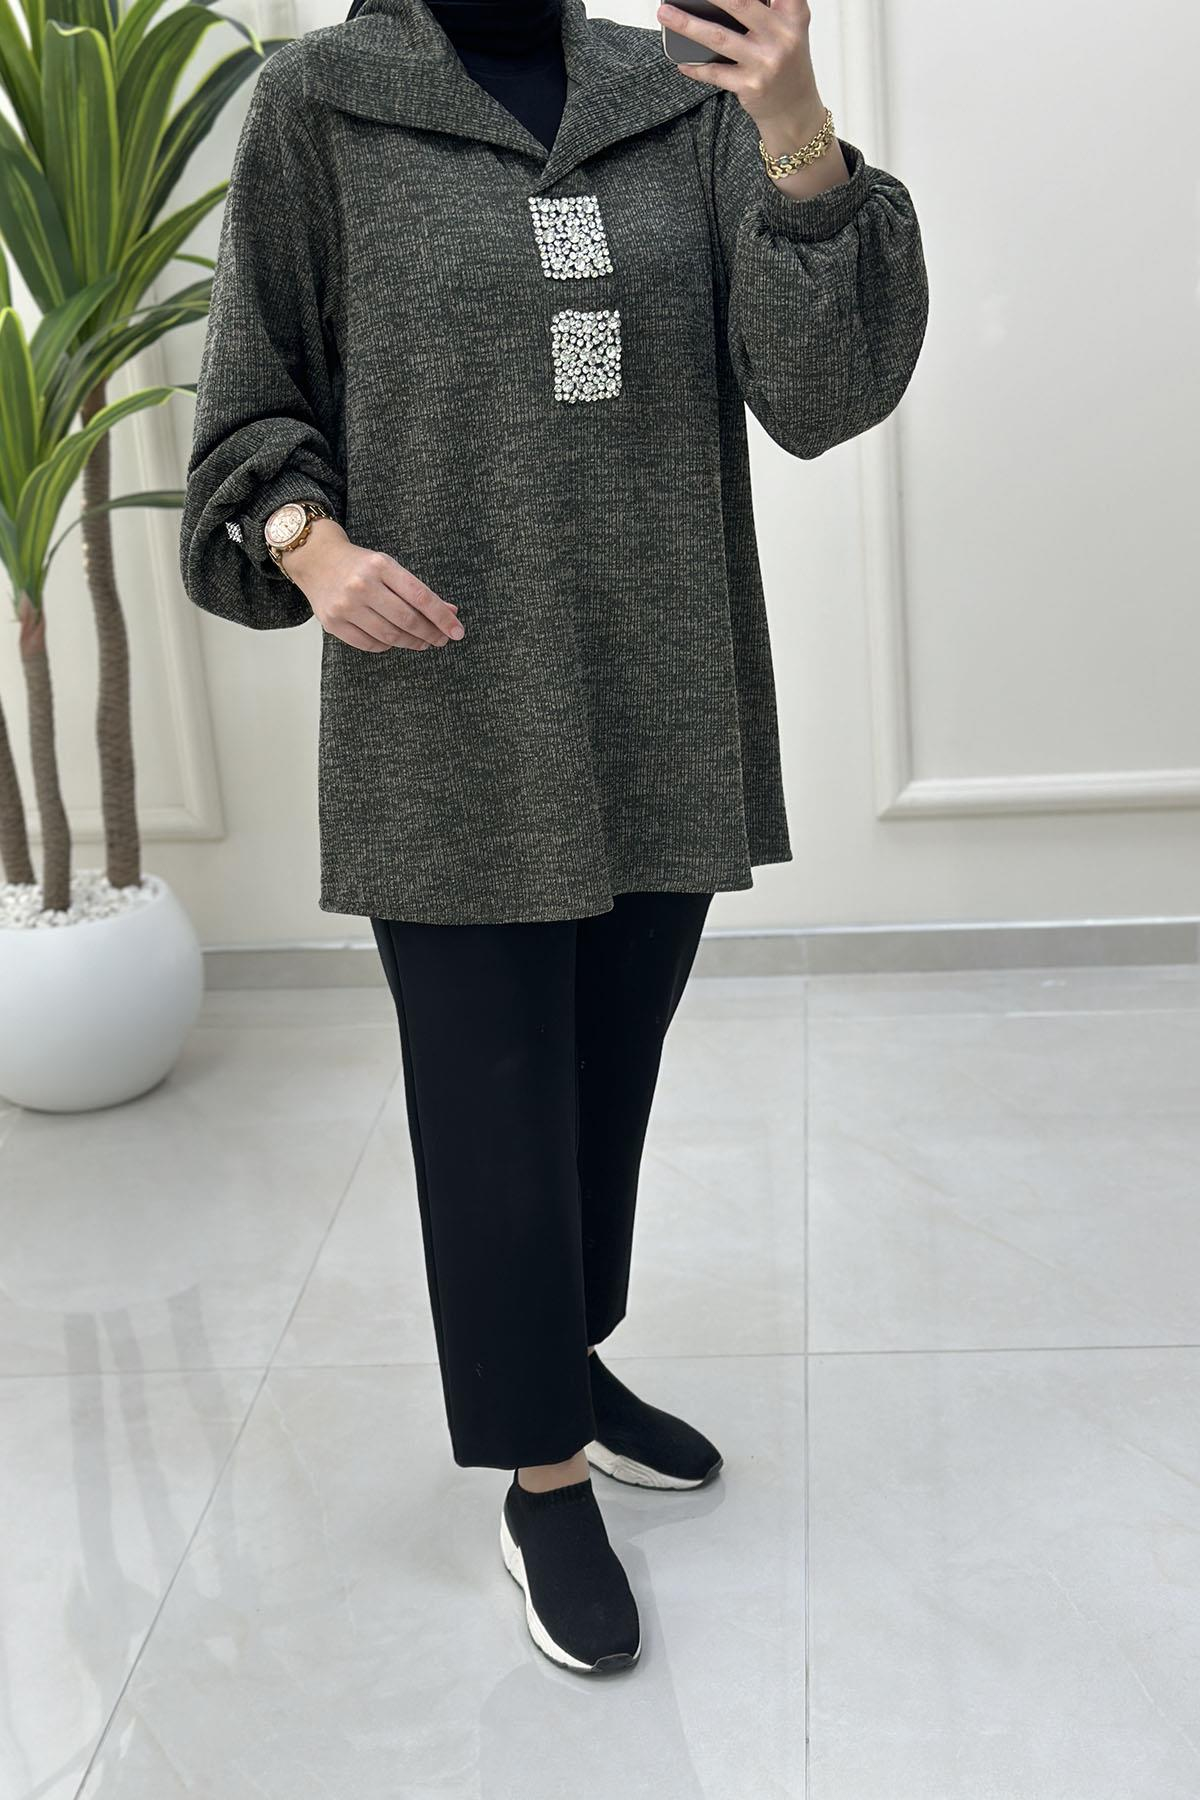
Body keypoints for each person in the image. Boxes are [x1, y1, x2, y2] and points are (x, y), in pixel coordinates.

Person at [178, 0, 929, 1675]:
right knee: (493, 1099)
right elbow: (250, 398)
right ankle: (543, 1481)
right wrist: (309, 546)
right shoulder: (321, 105)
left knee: (602, 1075)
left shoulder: (679, 96)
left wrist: (794, 122)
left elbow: (818, 394)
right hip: (446, 697)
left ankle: (562, 1361)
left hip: (659, 686)